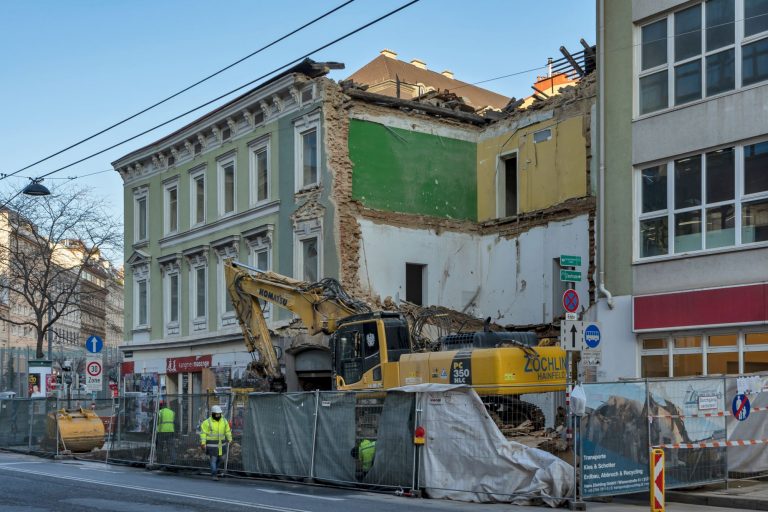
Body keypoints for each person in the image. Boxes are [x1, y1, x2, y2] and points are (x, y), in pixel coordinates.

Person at [200, 405, 232, 480]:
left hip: (221, 444)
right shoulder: (207, 422)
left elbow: (227, 431)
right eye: (216, 414)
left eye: (219, 414)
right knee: (213, 459)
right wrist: (203, 443)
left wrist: (229, 439)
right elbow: (203, 433)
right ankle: (214, 475)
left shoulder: (224, 421)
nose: (218, 415)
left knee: (222, 458)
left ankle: (214, 469)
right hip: (212, 445)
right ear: (212, 414)